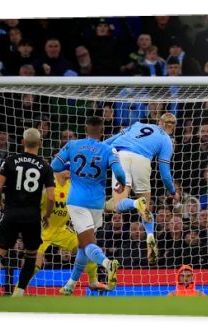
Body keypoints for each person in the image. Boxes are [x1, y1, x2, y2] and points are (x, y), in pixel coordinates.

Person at [0, 128, 56, 297]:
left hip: (11, 213)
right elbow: (52, 197)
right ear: (40, 143)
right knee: (31, 255)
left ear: (22, 142)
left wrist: (0, 200)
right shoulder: (45, 166)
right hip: (32, 217)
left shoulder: (10, 160)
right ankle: (19, 293)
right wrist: (46, 215)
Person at [51, 116, 126, 294]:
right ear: (101, 131)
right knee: (83, 245)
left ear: (85, 129)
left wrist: (70, 171)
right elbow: (119, 172)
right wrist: (121, 183)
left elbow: (54, 165)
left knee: (87, 243)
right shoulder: (108, 149)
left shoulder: (72, 145)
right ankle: (70, 285)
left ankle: (107, 264)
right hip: (96, 203)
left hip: (77, 201)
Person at [15, 169, 109, 292]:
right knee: (35, 265)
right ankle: (18, 290)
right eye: (67, 168)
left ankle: (93, 281)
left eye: (71, 168)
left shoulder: (72, 186)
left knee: (87, 248)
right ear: (59, 170)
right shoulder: (48, 185)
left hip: (61, 230)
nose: (70, 171)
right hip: (42, 230)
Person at [103, 113, 178, 264]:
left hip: (121, 156)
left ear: (158, 122)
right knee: (146, 206)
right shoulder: (166, 140)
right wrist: (172, 191)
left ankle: (134, 203)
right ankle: (150, 235)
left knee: (118, 205)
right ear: (172, 128)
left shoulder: (137, 125)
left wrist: (96, 148)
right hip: (143, 161)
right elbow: (164, 172)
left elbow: (112, 139)